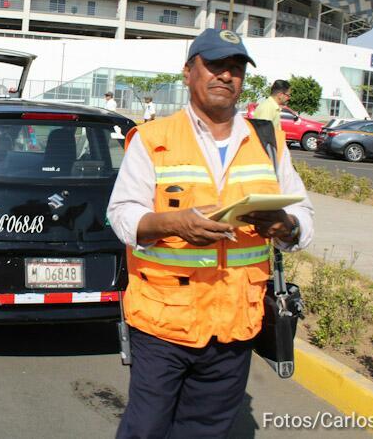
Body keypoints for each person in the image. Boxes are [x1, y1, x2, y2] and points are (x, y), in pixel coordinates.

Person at [107, 28, 314, 438]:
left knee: (207, 431)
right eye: (214, 66)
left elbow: (303, 219)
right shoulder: (153, 139)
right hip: (164, 321)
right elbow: (123, 216)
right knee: (146, 428)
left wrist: (285, 226)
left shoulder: (267, 142)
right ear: (188, 72)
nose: (225, 76)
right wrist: (174, 222)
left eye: (235, 68)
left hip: (234, 323)